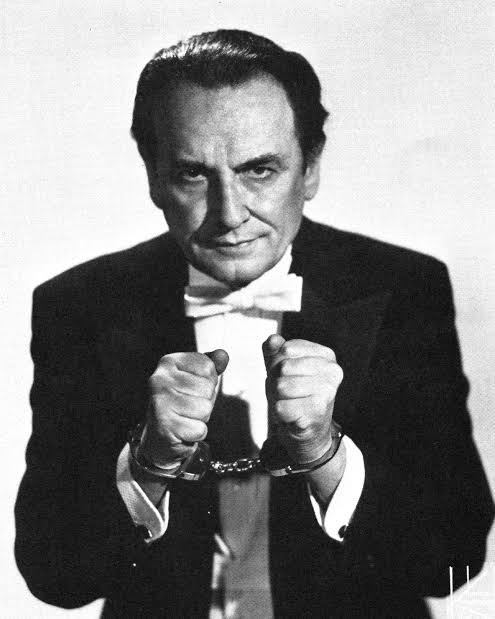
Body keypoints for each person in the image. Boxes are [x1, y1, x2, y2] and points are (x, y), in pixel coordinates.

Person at [15, 29, 493, 618]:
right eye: (193, 174)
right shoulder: (82, 305)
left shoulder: (404, 289)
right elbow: (55, 579)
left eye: (260, 170)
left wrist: (326, 454)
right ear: (153, 176)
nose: (229, 213)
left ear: (310, 169)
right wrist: (147, 463)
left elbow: (453, 560)